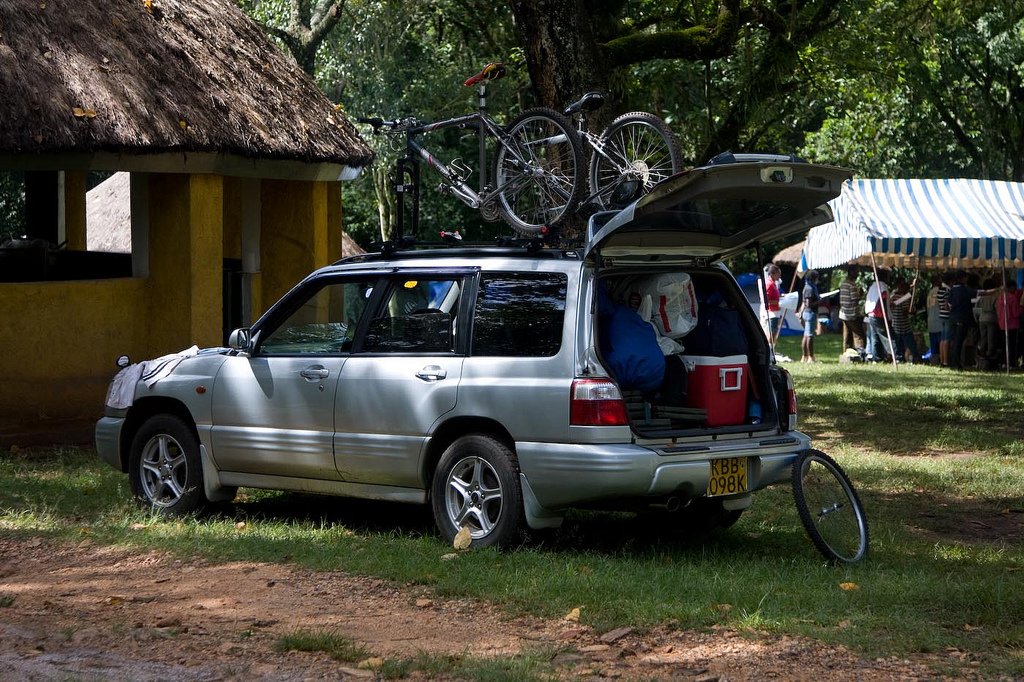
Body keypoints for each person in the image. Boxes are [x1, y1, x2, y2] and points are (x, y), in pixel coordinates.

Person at [889, 278, 920, 363]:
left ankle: (900, 358)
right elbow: (905, 311)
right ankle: (915, 358)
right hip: (904, 325)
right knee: (910, 344)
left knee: (899, 344)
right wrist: (912, 312)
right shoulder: (902, 297)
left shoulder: (893, 296)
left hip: (896, 324)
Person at [838, 265, 865, 354]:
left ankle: (846, 353)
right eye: (857, 272)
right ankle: (861, 353)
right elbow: (855, 300)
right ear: (852, 272)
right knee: (858, 335)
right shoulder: (852, 285)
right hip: (851, 314)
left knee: (847, 335)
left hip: (843, 313)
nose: (858, 274)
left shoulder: (843, 283)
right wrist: (860, 294)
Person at [864, 271, 889, 362]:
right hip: (878, 314)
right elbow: (883, 301)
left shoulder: (872, 286)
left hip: (871, 314)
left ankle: (877, 357)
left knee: (875, 337)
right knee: (884, 336)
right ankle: (893, 355)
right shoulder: (882, 286)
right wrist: (886, 315)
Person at [996, 281, 1021, 369]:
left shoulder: (999, 298)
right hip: (1012, 324)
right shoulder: (1013, 298)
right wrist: (1021, 308)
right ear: (1010, 288)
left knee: (1004, 345)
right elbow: (1015, 313)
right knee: (1012, 345)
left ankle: (1003, 363)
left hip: (1002, 324)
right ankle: (1011, 364)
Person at [975, 277, 999, 368]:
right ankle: (990, 356)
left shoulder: (981, 297)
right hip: (992, 318)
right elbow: (997, 309)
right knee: (991, 338)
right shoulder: (994, 297)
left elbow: (977, 310)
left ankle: (981, 354)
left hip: (982, 319)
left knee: (983, 337)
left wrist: (977, 319)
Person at [799, 270, 820, 362]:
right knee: (810, 335)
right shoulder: (810, 289)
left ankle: (804, 356)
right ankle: (810, 357)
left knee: (806, 335)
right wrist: (819, 301)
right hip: (809, 313)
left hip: (806, 313)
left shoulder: (807, 286)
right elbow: (808, 304)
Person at [924, 274, 943, 362]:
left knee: (933, 344)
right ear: (937, 281)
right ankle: (942, 359)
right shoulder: (940, 292)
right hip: (938, 320)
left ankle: (934, 360)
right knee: (941, 342)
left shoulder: (929, 293)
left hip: (930, 320)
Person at [937, 271, 954, 366]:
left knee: (942, 339)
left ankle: (942, 360)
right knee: (947, 339)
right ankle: (946, 361)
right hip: (947, 316)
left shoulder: (939, 290)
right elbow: (946, 305)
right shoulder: (947, 291)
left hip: (941, 315)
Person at [763, 263, 782, 342]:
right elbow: (767, 300)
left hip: (775, 311)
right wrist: (778, 302)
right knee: (771, 332)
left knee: (774, 332)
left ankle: (772, 349)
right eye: (778, 274)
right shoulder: (769, 284)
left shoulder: (774, 283)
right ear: (773, 274)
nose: (779, 276)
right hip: (772, 312)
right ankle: (770, 349)